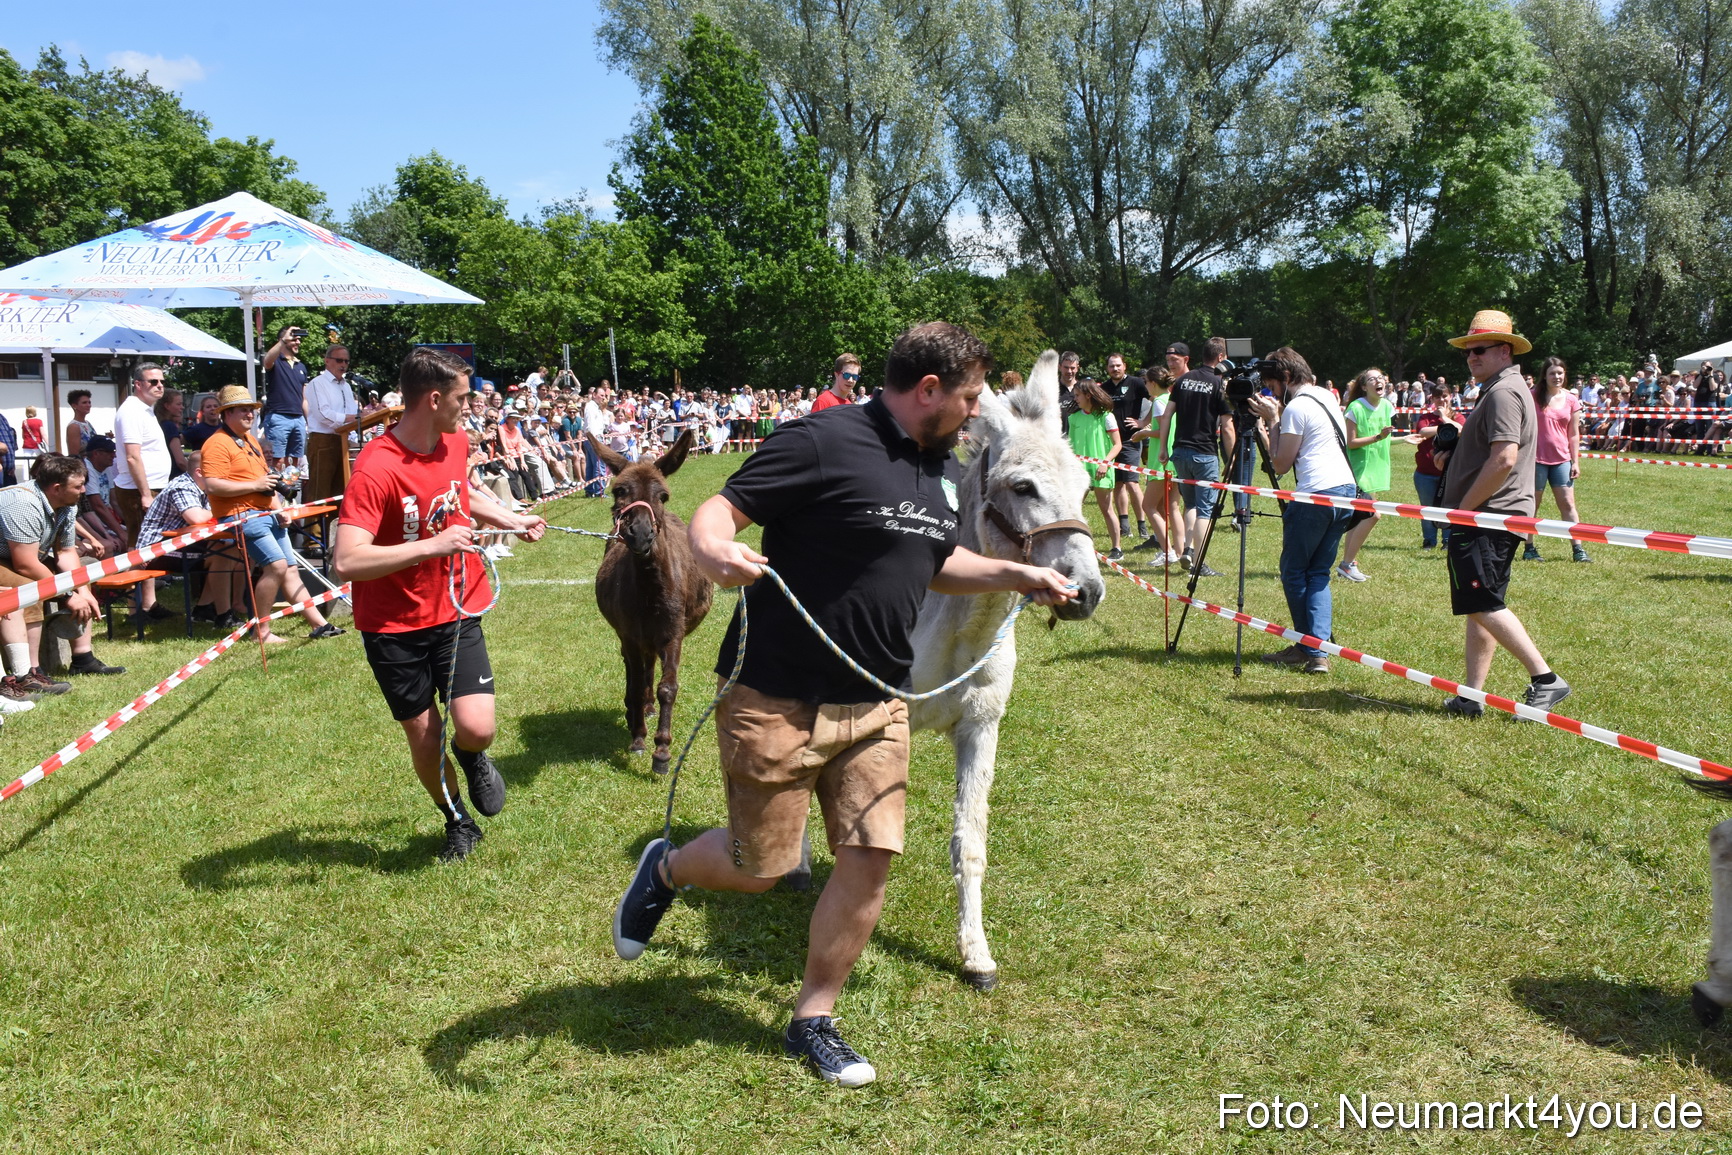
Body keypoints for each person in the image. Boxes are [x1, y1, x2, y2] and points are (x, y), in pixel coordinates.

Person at [611, 322, 1077, 1087]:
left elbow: (934, 559)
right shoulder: (821, 440)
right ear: (928, 391)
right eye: (967, 400)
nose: (974, 417)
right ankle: (664, 871)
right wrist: (713, 546)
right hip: (777, 691)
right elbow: (720, 511)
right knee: (758, 866)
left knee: (868, 859)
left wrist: (1019, 577)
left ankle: (814, 1017)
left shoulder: (941, 473)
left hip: (877, 695)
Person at [332, 348, 546, 863]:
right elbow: (346, 560)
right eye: (462, 397)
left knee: (477, 728)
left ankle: (473, 759)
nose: (469, 407)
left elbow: (462, 494)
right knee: (426, 741)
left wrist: (510, 519)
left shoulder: (452, 441)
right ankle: (457, 821)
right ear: (433, 398)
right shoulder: (376, 469)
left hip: (456, 606)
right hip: (393, 624)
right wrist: (434, 545)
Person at [1436, 310, 1570, 717]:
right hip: (1492, 514)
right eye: (1467, 351)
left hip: (1487, 516)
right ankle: (1471, 696)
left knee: (1480, 601)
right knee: (1483, 605)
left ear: (1505, 350)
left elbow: (1505, 458)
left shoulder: (1502, 392)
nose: (1471, 357)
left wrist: (1463, 509)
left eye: (1480, 349)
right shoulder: (1504, 389)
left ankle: (1545, 678)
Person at [199, 386, 342, 645]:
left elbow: (267, 482)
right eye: (244, 409)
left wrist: (280, 509)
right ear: (227, 413)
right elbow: (212, 485)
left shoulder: (251, 440)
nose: (250, 414)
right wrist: (255, 487)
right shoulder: (216, 443)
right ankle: (261, 633)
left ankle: (319, 625)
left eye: (252, 410)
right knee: (275, 567)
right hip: (241, 516)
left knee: (289, 570)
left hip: (266, 513)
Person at [1247, 348, 1357, 675]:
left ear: (1284, 377)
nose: (1271, 392)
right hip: (1345, 491)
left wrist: (1273, 420)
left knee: (1295, 571)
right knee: (1319, 572)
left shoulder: (1295, 408)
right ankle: (1318, 650)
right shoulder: (1325, 396)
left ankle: (1307, 646)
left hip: (1315, 494)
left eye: (1272, 385)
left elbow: (1280, 463)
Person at [0, 453, 126, 695]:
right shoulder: (22, 504)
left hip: (21, 555)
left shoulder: (66, 503)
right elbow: (25, 564)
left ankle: (83, 659)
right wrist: (68, 595)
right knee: (28, 589)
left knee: (83, 574)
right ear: (57, 488)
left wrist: (81, 590)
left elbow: (67, 553)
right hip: (12, 558)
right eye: (78, 486)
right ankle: (30, 673)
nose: (83, 491)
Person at [1154, 339, 1234, 577]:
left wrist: (1162, 448)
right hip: (1204, 454)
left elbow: (1167, 415)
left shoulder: (1183, 381)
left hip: (1180, 453)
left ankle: (1188, 549)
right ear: (1220, 358)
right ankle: (1199, 564)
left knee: (1191, 504)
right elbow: (1228, 428)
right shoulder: (1218, 384)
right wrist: (1231, 460)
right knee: (1205, 510)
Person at [135, 451, 233, 625]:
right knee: (223, 554)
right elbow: (196, 518)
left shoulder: (201, 488)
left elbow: (205, 519)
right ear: (199, 472)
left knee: (231, 551)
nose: (221, 473)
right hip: (155, 551)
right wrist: (224, 509)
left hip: (177, 545)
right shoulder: (182, 486)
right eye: (215, 469)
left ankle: (207, 609)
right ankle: (214, 612)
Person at [112, 362, 174, 620]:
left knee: (148, 547)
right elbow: (133, 457)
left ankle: (149, 604)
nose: (159, 386)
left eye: (161, 381)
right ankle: (135, 608)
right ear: (138, 384)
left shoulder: (144, 409)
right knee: (138, 547)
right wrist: (146, 494)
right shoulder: (131, 411)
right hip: (139, 490)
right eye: (153, 382)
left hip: (150, 487)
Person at [1521, 356, 1591, 563]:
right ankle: (1529, 547)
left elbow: (1574, 434)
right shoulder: (1532, 396)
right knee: (1532, 504)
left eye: (1560, 373)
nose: (1557, 376)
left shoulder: (1571, 399)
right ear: (1545, 375)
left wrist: (1575, 461)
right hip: (1536, 460)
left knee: (1568, 504)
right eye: (1552, 373)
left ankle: (1578, 549)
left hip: (1562, 460)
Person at [1336, 368, 1396, 582]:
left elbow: (1386, 438)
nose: (1378, 381)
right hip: (1358, 469)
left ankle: (1349, 564)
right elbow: (1351, 443)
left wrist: (1404, 439)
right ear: (1363, 387)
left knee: (1362, 516)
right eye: (1372, 379)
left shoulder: (1388, 406)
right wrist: (1379, 437)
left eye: (1381, 378)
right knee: (1373, 515)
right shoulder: (1355, 407)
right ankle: (1346, 565)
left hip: (1377, 468)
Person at [1067, 378, 1124, 558]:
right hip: (1079, 472)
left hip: (1102, 471)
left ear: (1088, 395)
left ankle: (1117, 548)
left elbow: (1117, 445)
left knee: (1106, 509)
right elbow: (1071, 445)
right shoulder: (1073, 418)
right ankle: (1074, 546)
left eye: (1078, 395)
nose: (1075, 399)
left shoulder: (1107, 417)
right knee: (1073, 510)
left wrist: (1105, 463)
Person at [1100, 354, 1149, 542]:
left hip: (1131, 440)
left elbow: (1157, 398)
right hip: (1111, 443)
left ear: (1125, 366)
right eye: (1112, 366)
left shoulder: (1136, 383)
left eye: (1118, 365)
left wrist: (1143, 422)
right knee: (1118, 484)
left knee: (1132, 483)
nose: (1115, 369)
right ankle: (1124, 525)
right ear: (1107, 368)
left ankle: (1142, 524)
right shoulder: (1103, 388)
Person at [304, 344, 359, 503]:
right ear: (327, 361)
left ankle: (334, 527)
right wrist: (355, 418)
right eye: (339, 360)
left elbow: (353, 415)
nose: (343, 365)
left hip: (343, 441)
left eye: (346, 361)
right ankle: (314, 528)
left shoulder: (347, 386)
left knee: (340, 494)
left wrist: (353, 439)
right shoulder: (318, 383)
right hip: (323, 441)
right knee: (320, 494)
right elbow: (323, 415)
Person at [1406, 386, 1459, 549]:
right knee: (1427, 507)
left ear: (1450, 397)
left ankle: (1448, 540)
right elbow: (1422, 431)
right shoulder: (1426, 417)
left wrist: (1444, 418)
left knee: (1449, 507)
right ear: (1432, 399)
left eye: (1444, 396)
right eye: (1437, 397)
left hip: (1450, 473)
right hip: (1425, 473)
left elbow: (1462, 430)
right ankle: (1429, 540)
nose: (1441, 399)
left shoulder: (1458, 417)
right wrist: (1445, 426)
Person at [261, 325, 310, 472]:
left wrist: (309, 422)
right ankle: (276, 493)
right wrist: (284, 340)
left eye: (299, 339)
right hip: (279, 416)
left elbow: (304, 398)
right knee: (277, 460)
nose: (298, 342)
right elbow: (267, 361)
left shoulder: (301, 366)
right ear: (284, 339)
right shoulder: (276, 361)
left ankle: (290, 492)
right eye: (294, 339)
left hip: (298, 419)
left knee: (296, 461)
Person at [65, 390, 100, 457]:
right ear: (74, 406)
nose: (88, 405)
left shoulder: (88, 423)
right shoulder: (74, 426)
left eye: (89, 402)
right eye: (84, 403)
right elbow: (74, 454)